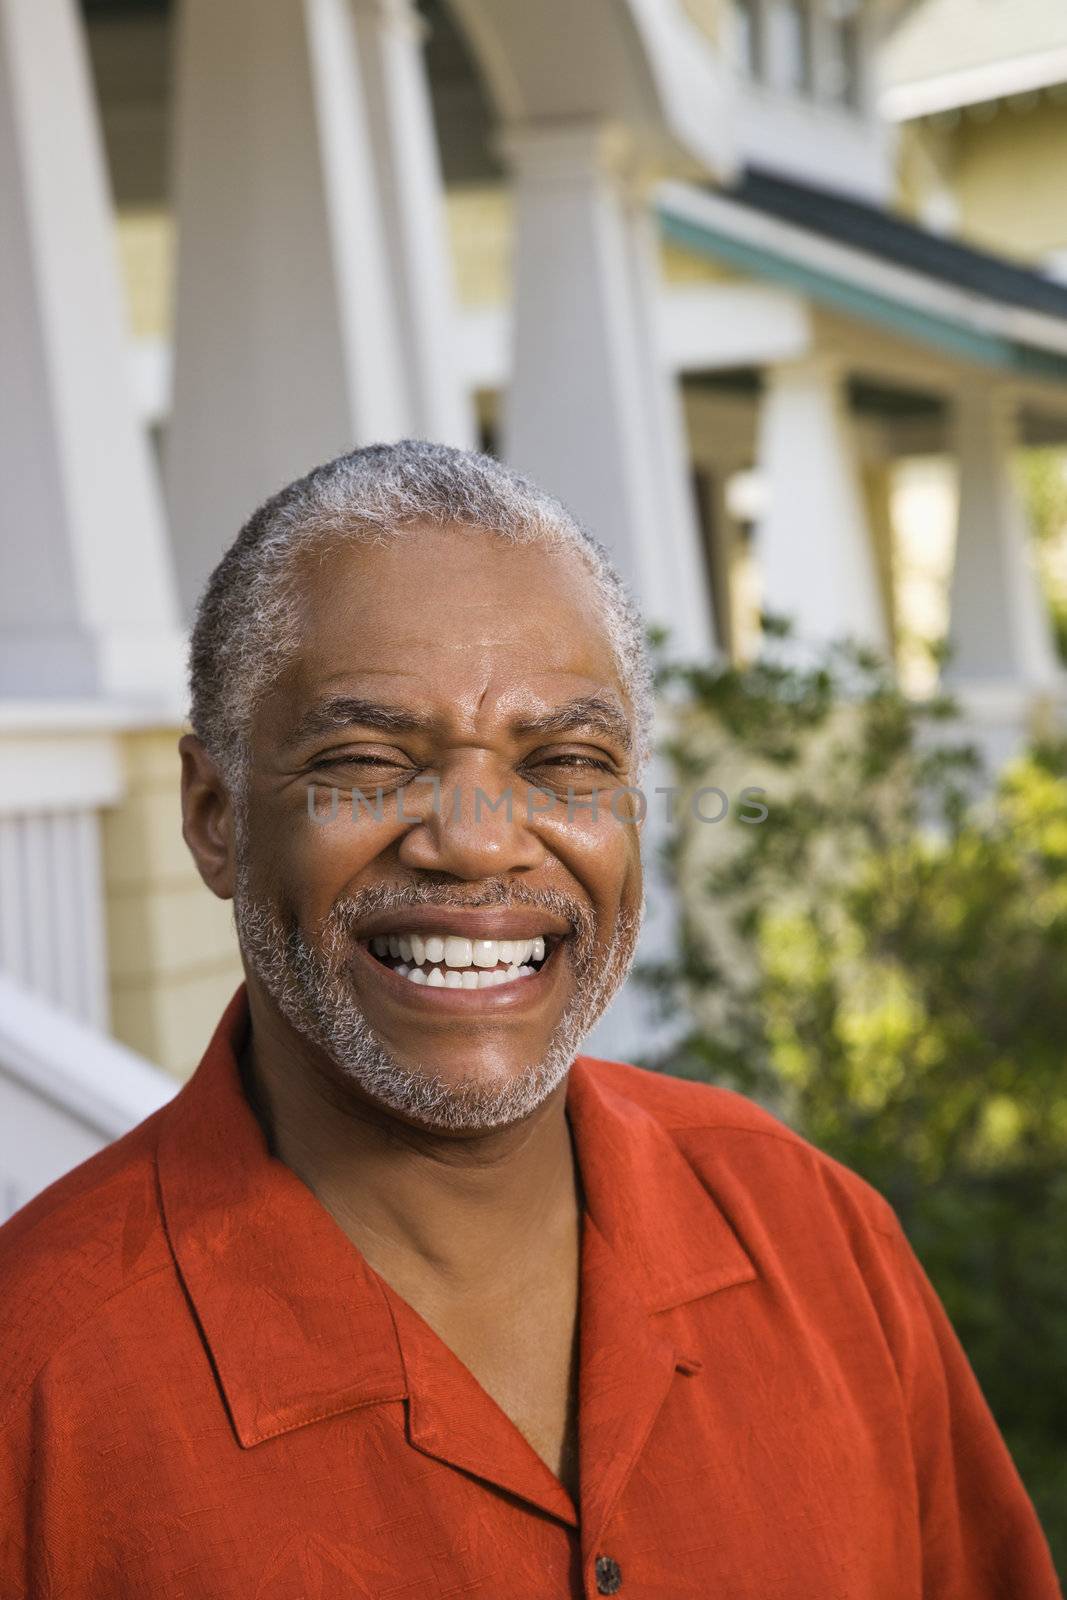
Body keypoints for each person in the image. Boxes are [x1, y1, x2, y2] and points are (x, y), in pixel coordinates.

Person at [0, 441, 1060, 1599]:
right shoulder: (37, 1383)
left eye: (565, 760)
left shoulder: (814, 1240)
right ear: (214, 816)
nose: (477, 838)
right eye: (365, 759)